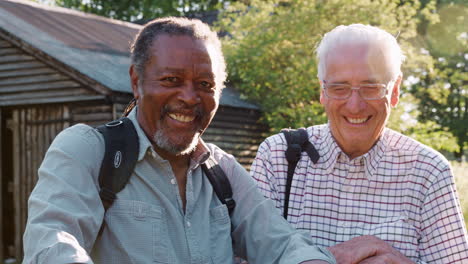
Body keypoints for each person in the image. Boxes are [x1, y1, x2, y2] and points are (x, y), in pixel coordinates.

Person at [22, 17, 338, 264]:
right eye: (171, 80)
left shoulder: (221, 171)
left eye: (204, 84)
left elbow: (280, 242)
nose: (189, 97)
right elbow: (52, 240)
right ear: (136, 81)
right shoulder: (89, 150)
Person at [251, 24, 468, 264]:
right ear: (322, 91)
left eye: (371, 88)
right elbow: (246, 257)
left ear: (394, 90)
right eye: (339, 88)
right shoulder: (278, 157)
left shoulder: (428, 172)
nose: (355, 105)